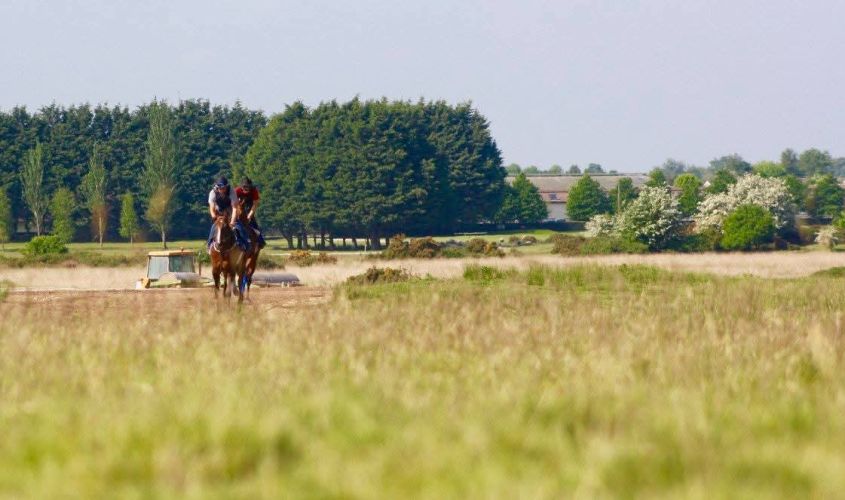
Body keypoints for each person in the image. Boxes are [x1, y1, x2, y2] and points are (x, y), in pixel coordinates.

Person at [207, 176, 239, 249]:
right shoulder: (213, 192)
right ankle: (209, 245)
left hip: (230, 211)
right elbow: (211, 208)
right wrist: (214, 217)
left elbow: (234, 208)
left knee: (239, 227)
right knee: (213, 228)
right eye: (220, 188)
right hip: (219, 212)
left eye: (223, 188)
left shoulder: (231, 191)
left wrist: (232, 221)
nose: (221, 190)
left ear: (226, 186)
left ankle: (245, 244)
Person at [235, 177, 266, 249]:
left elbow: (255, 204)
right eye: (244, 187)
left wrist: (249, 216)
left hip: (249, 206)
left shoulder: (254, 191)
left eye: (248, 187)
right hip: (238, 207)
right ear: (241, 187)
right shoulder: (237, 191)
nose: (246, 189)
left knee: (253, 224)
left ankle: (260, 241)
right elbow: (233, 204)